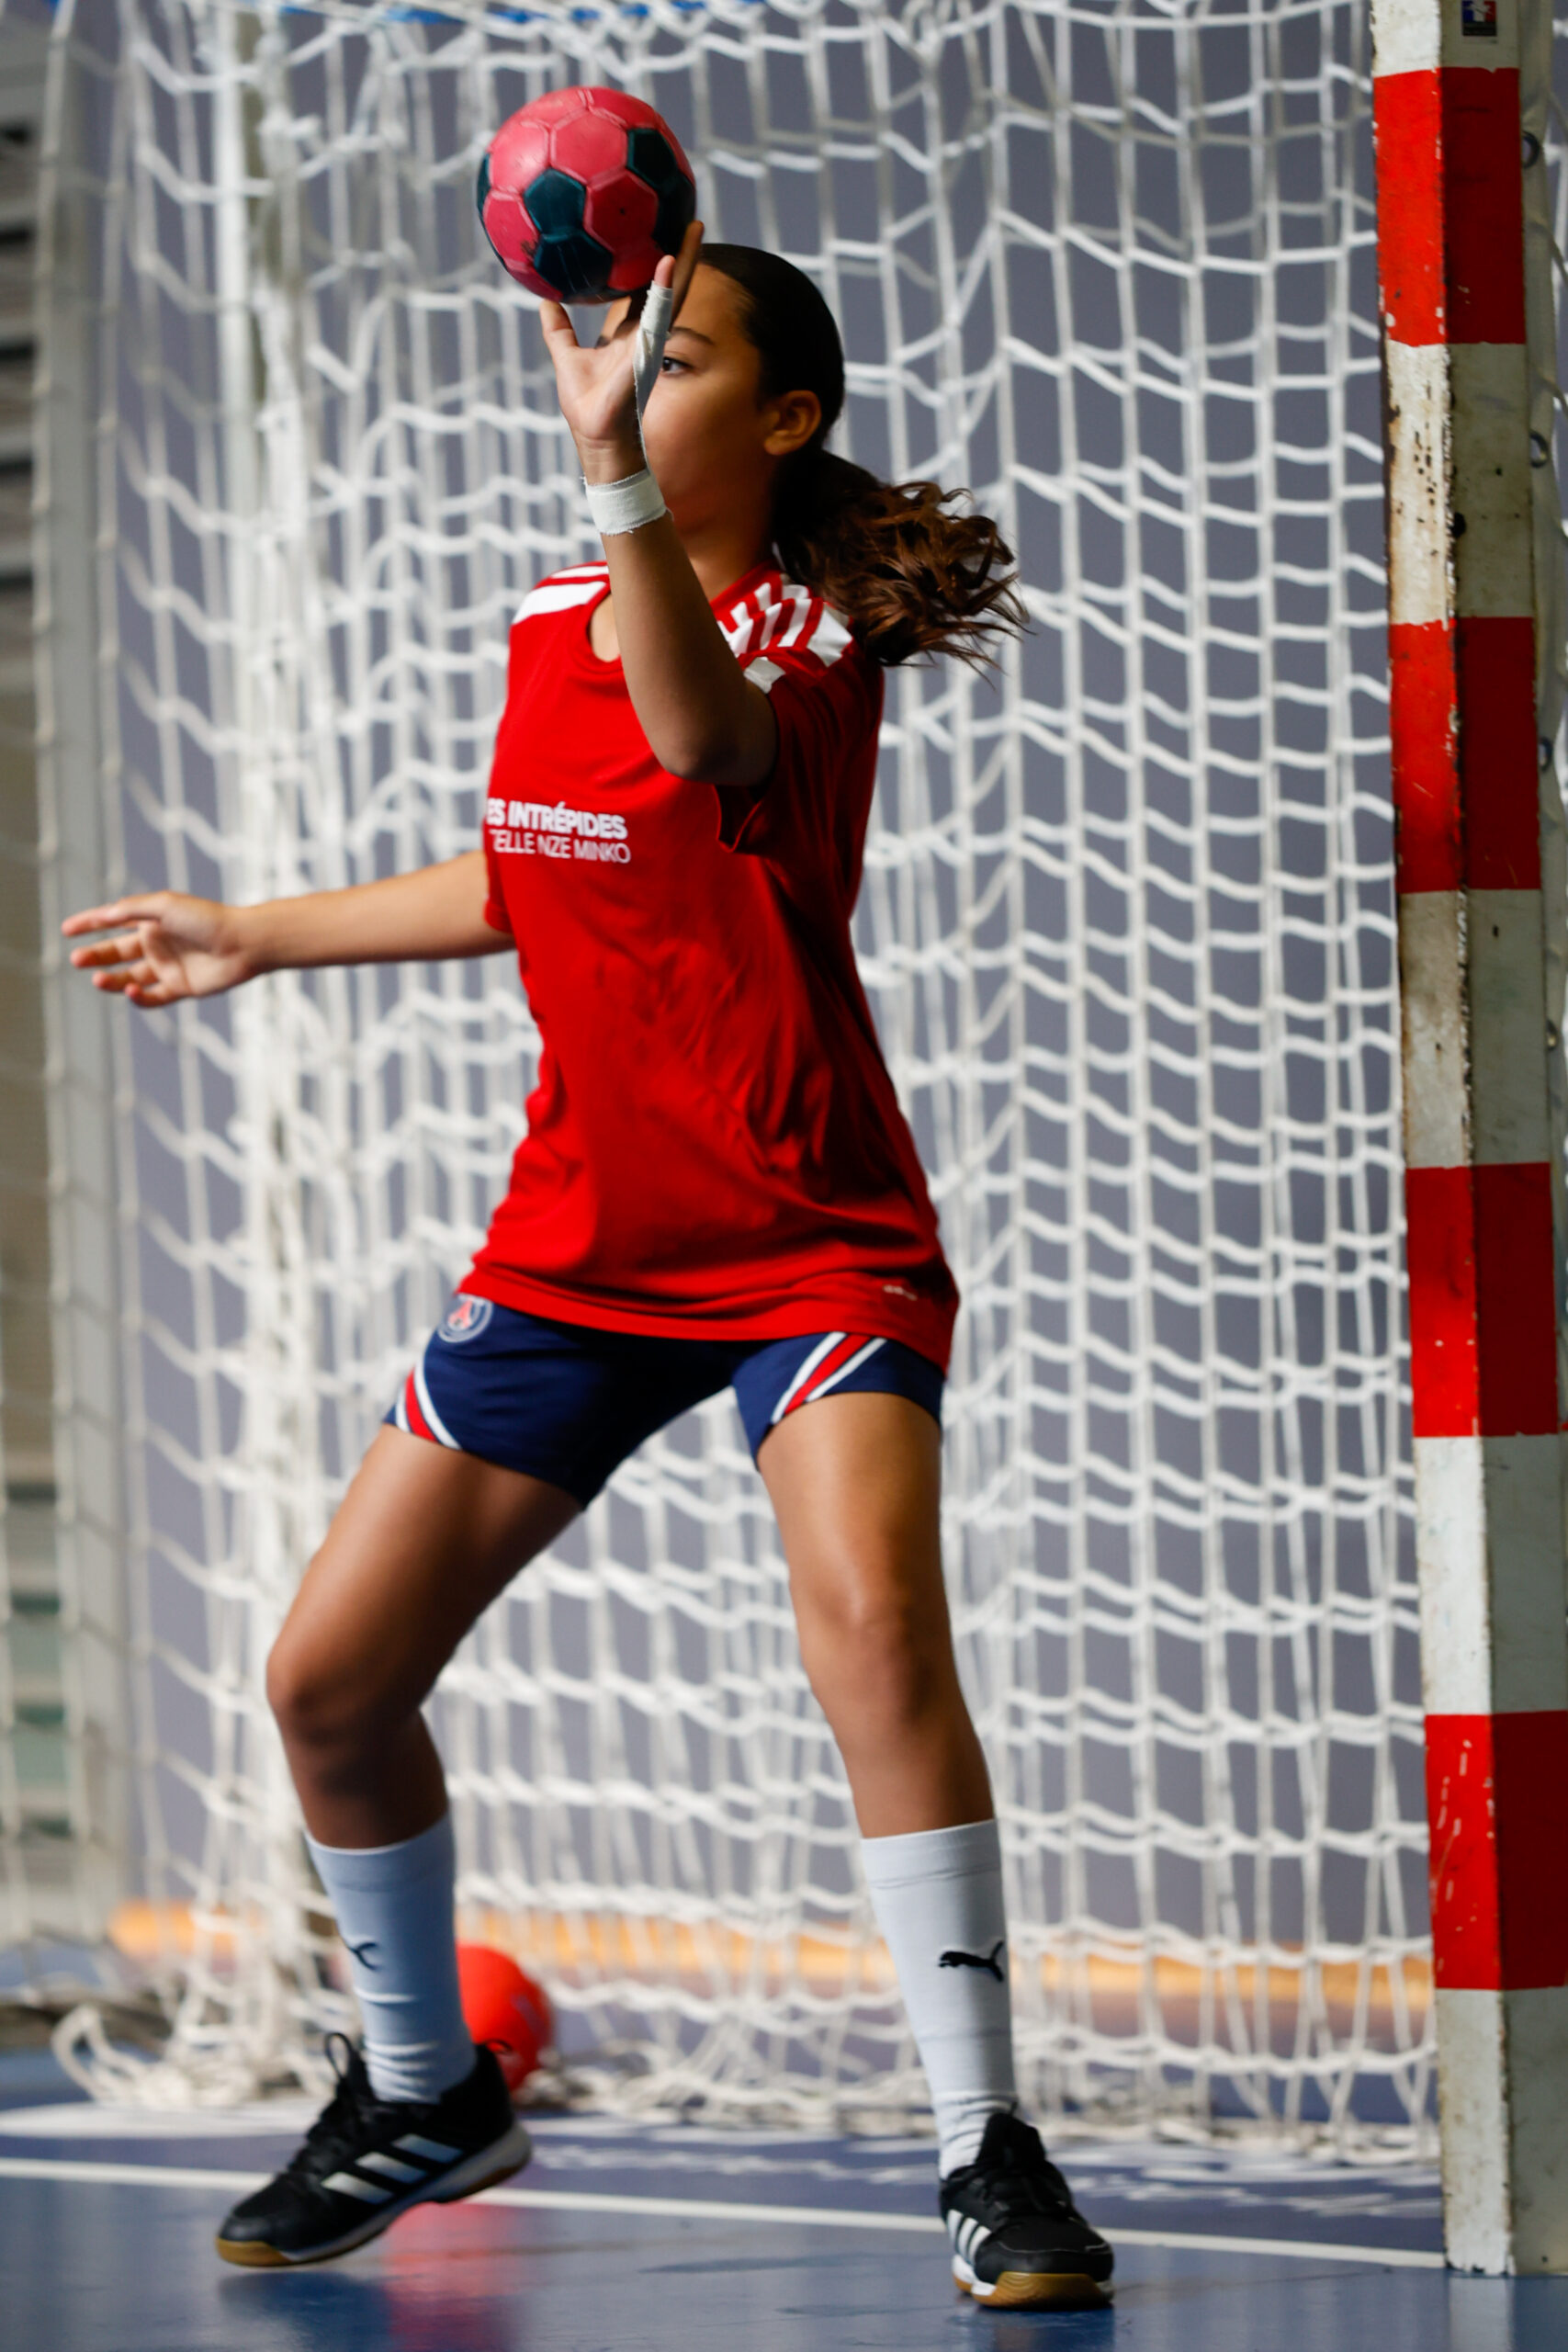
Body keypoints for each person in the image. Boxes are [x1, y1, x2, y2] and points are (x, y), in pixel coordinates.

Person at [63, 222, 1112, 2311]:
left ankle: (982, 2137)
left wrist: (612, 484)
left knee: (871, 1630)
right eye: (618, 345)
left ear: (781, 415)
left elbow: (702, 742)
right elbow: (539, 865)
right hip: (576, 1241)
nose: (632, 378)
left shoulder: (802, 636)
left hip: (808, 1237)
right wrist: (260, 926)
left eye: (681, 355)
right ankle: (426, 2085)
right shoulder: (555, 617)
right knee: (325, 1681)